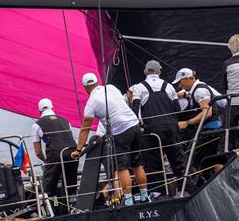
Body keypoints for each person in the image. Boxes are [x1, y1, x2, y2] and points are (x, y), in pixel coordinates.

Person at [71, 73, 149, 206]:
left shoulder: (91, 102)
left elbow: (85, 128)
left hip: (121, 132)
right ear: (97, 82)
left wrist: (78, 150)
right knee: (136, 164)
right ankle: (144, 196)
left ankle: (129, 201)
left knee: (122, 167)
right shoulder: (111, 88)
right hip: (135, 126)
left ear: (85, 87)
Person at [130, 60, 187, 194]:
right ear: (159, 71)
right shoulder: (169, 87)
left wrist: (141, 126)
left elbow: (135, 111)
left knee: (153, 162)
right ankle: (185, 189)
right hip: (170, 128)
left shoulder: (139, 87)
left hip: (151, 130)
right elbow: (177, 109)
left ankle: (158, 192)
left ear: (145, 71)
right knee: (177, 160)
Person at [31, 98, 79, 209]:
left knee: (48, 186)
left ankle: (53, 210)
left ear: (39, 111)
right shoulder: (66, 121)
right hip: (72, 152)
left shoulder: (36, 125)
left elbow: (38, 152)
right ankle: (72, 207)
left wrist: (46, 161)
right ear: (53, 108)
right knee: (70, 184)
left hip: (55, 154)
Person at [173, 67, 225, 165]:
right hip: (210, 130)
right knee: (208, 162)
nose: (179, 86)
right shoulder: (196, 89)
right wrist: (180, 95)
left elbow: (207, 113)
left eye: (180, 82)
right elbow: (187, 94)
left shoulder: (199, 91)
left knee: (188, 159)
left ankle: (193, 179)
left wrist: (187, 123)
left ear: (187, 79)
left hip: (209, 132)